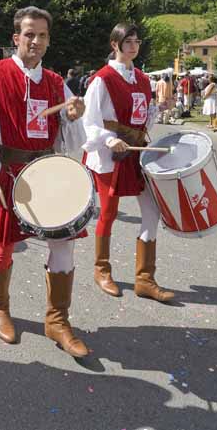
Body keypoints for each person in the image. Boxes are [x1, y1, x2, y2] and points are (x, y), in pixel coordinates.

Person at [0, 6, 89, 357]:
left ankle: (57, 319)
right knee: (3, 244)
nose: (35, 41)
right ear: (16, 38)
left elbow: (73, 138)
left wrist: (71, 117)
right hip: (8, 173)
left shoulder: (55, 82)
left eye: (41, 35)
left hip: (48, 172)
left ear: (48, 40)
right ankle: (0, 309)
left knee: (64, 243)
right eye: (29, 34)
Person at [82, 23, 172, 304]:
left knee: (152, 210)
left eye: (136, 41)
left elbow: (142, 117)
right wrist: (108, 141)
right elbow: (89, 121)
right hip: (109, 154)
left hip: (137, 151)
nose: (133, 45)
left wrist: (159, 109)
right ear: (115, 44)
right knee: (108, 212)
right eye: (127, 41)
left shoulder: (143, 79)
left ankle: (145, 278)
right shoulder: (102, 79)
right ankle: (102, 269)